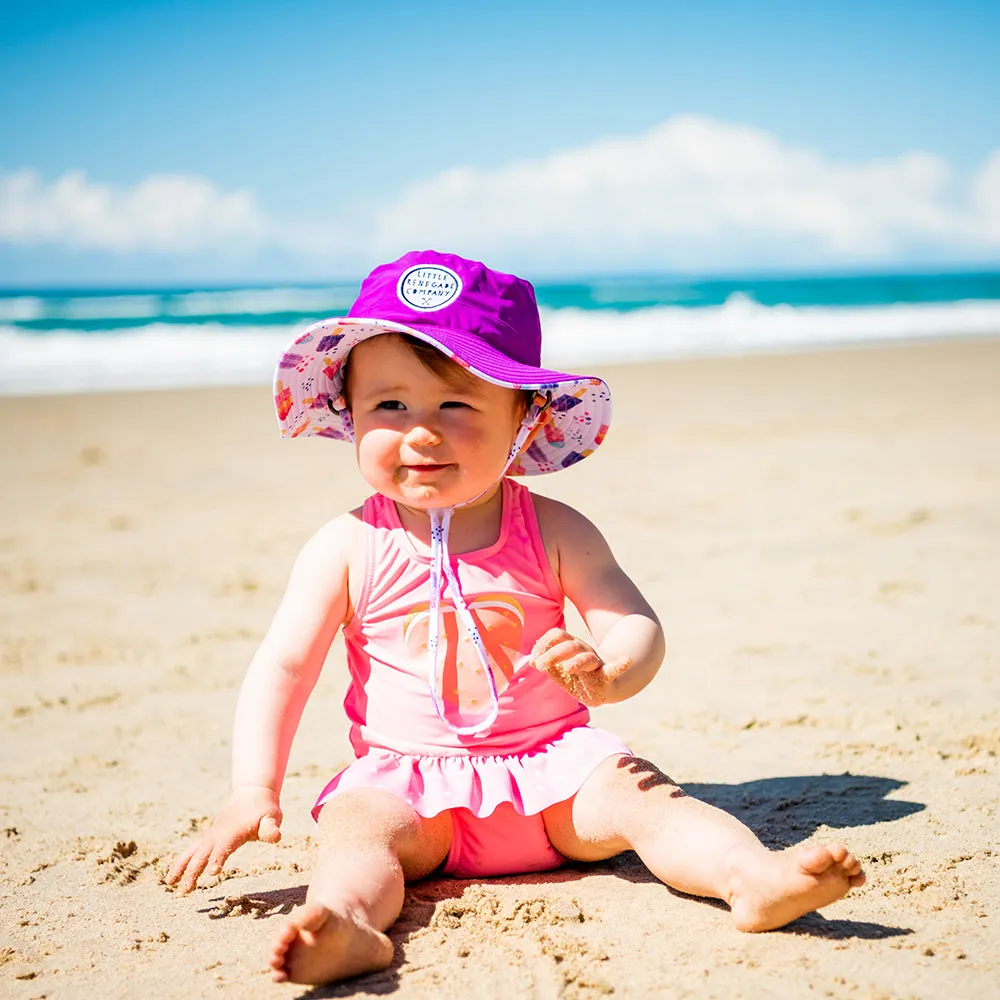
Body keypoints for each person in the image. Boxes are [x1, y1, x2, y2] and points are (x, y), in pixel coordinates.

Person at [166, 250, 866, 985]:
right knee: (354, 830)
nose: (422, 432)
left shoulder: (555, 529)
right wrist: (255, 788)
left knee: (648, 797)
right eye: (390, 406)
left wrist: (614, 669)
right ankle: (351, 924)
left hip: (559, 780)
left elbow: (633, 619)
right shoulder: (346, 545)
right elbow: (284, 666)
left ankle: (748, 877)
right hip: (411, 796)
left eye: (457, 405)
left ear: (524, 419)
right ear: (350, 412)